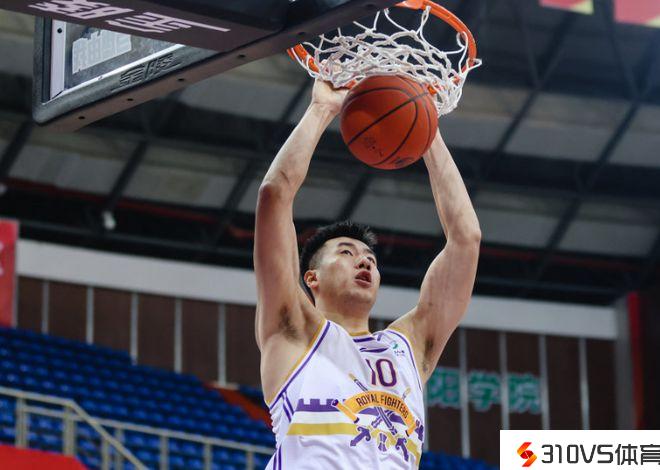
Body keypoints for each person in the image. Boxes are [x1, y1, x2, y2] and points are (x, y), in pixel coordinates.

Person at [254, 79, 481, 469]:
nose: (364, 262)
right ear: (312, 278)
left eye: (371, 259)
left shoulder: (407, 347)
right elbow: (274, 194)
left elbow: (466, 239)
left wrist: (427, 131)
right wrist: (321, 109)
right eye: (346, 252)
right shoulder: (294, 331)